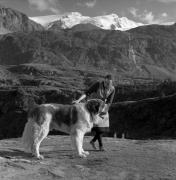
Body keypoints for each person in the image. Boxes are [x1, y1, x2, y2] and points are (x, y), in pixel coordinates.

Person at [73, 74, 115, 151]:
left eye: (109, 83)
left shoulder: (112, 89)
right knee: (98, 128)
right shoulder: (98, 85)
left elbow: (109, 102)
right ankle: (101, 146)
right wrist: (78, 100)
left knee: (103, 129)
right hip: (92, 107)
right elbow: (87, 93)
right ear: (104, 80)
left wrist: (105, 110)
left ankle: (93, 141)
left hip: (103, 107)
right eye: (106, 83)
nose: (107, 85)